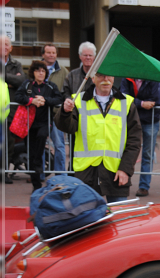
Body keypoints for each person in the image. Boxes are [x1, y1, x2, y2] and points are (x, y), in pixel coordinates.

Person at [55, 73, 141, 203]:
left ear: (113, 78)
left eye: (109, 76)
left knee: (118, 219)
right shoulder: (78, 100)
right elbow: (67, 127)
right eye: (101, 76)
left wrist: (125, 169)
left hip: (116, 172)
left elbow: (134, 140)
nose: (105, 79)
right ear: (93, 78)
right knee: (86, 219)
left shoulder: (127, 103)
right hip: (86, 172)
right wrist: (65, 112)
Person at [14, 60, 63, 192]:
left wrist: (45, 101)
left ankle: (39, 167)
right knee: (31, 154)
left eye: (43, 71)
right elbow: (18, 97)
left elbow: (59, 99)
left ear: (46, 73)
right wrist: (32, 101)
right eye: (38, 70)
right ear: (33, 72)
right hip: (29, 124)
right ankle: (36, 185)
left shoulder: (51, 86)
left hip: (45, 122)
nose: (40, 73)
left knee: (41, 142)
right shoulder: (28, 85)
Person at [120, 77, 160, 197]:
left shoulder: (153, 79)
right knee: (126, 151)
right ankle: (123, 180)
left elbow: (155, 100)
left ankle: (144, 186)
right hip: (131, 119)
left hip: (150, 121)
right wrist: (142, 103)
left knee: (147, 154)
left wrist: (135, 102)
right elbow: (123, 98)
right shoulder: (126, 79)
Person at [1, 35, 26, 183]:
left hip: (9, 112)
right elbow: (14, 80)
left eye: (6, 44)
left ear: (10, 48)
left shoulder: (17, 64)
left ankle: (3, 173)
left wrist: (3, 77)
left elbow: (21, 81)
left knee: (8, 144)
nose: (3, 47)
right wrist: (11, 80)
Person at [41, 43, 69, 173]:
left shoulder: (63, 71)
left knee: (59, 146)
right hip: (39, 115)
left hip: (56, 115)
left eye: (53, 53)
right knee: (39, 145)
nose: (51, 55)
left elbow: (67, 91)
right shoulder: (37, 68)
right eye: (48, 52)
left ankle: (60, 175)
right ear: (43, 54)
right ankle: (39, 174)